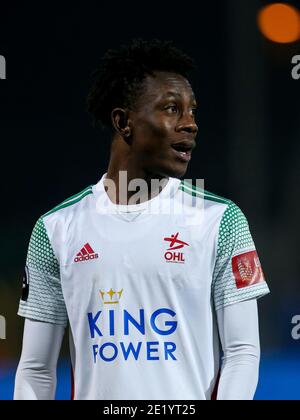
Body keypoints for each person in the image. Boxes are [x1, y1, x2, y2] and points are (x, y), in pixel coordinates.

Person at [14, 39, 269, 400]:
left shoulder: (220, 220)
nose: (190, 124)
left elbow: (243, 352)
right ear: (124, 121)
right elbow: (36, 369)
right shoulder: (55, 230)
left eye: (192, 111)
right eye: (171, 108)